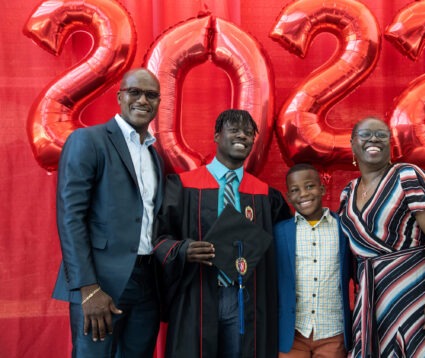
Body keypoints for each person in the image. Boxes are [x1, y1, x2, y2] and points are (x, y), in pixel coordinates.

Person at [153, 109, 291, 358]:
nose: (243, 136)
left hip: (246, 299)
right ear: (217, 136)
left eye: (249, 133)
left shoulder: (266, 196)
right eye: (235, 130)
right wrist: (183, 249)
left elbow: (282, 252)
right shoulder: (183, 186)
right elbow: (157, 239)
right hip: (197, 293)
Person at [52, 68, 164, 357]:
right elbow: (70, 218)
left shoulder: (155, 154)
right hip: (100, 284)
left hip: (148, 283)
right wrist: (87, 288)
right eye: (134, 92)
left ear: (159, 102)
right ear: (119, 96)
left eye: (151, 95)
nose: (142, 100)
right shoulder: (88, 141)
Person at [338, 117, 425, 357]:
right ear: (352, 144)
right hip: (372, 300)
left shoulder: (408, 176)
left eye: (382, 135)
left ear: (390, 145)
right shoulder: (348, 192)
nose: (374, 139)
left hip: (416, 293)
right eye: (366, 134)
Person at [274, 163, 353, 357]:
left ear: (322, 189)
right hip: (292, 334)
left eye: (309, 186)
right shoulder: (280, 232)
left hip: (333, 332)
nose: (303, 194)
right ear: (289, 196)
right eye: (295, 190)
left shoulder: (343, 229)